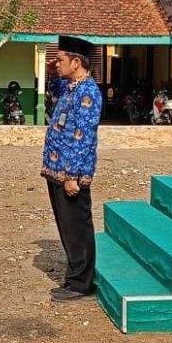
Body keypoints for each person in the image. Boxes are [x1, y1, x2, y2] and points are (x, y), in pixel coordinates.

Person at [42, 35, 101, 302]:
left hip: (70, 173)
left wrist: (71, 175)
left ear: (77, 62)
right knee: (67, 227)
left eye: (62, 59)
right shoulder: (70, 87)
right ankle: (74, 277)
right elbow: (51, 83)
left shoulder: (88, 92)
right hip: (57, 168)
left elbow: (83, 136)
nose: (57, 63)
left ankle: (81, 284)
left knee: (77, 227)